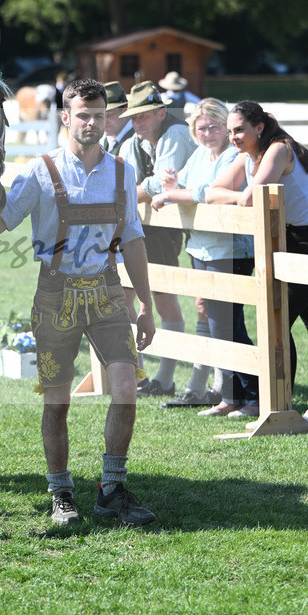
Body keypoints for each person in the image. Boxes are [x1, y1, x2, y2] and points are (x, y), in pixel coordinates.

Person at [0, 78, 156, 526]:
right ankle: (61, 493)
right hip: (55, 294)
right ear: (65, 117)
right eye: (83, 115)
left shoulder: (122, 171)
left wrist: (146, 305)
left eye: (99, 115)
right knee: (57, 402)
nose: (91, 123)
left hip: (107, 291)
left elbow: (133, 238)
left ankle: (111, 490)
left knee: (126, 390)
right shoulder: (39, 170)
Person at [206, 101, 308, 426]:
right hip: (290, 237)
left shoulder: (279, 149)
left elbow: (251, 197)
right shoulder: (247, 156)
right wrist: (239, 197)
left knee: (278, 320)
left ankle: (281, 407)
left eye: (239, 130)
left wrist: (241, 197)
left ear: (259, 127)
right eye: (230, 131)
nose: (234, 137)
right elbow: (213, 193)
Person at [152, 99, 258, 417]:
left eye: (214, 127)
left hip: (230, 250)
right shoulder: (199, 154)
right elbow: (186, 185)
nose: (208, 133)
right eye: (201, 128)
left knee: (225, 326)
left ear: (225, 128)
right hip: (201, 248)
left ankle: (252, 395)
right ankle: (232, 396)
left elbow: (209, 193)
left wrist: (172, 194)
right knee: (219, 324)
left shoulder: (234, 157)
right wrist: (172, 185)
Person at [118, 81, 197, 397]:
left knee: (164, 299)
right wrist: (131, 192)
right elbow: (123, 180)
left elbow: (160, 183)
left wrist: (128, 195)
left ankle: (165, 379)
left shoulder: (175, 133)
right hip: (143, 226)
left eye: (144, 116)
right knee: (128, 296)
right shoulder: (134, 142)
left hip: (168, 228)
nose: (137, 123)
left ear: (161, 113)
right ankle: (140, 375)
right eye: (134, 117)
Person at [102, 80, 133, 152]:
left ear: (124, 110)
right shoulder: (104, 139)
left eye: (108, 115)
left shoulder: (136, 141)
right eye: (100, 116)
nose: (103, 122)